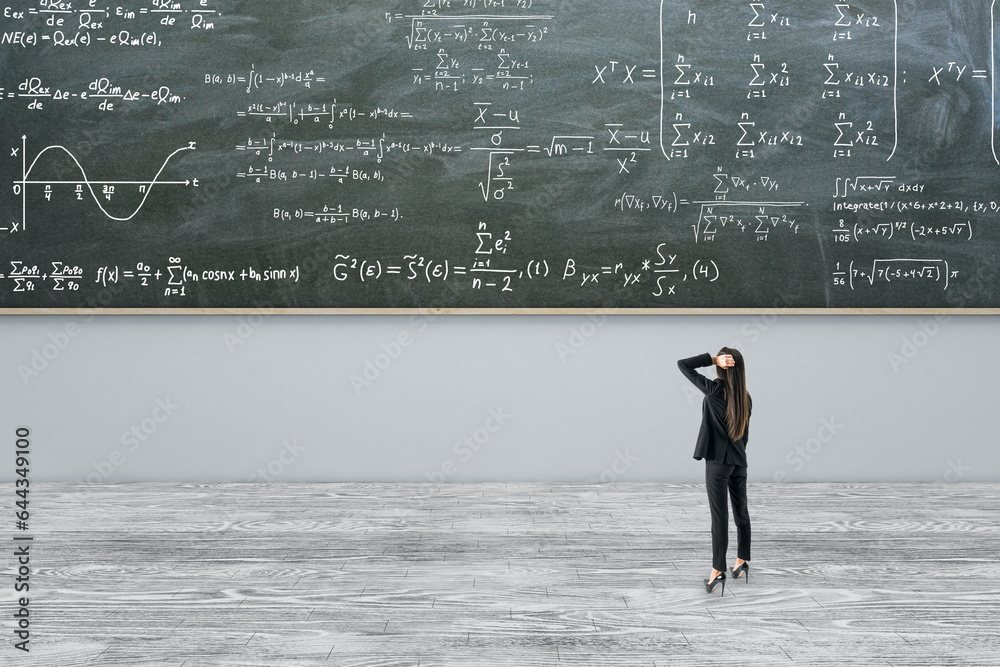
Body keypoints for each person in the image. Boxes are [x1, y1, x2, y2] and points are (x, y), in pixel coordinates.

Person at [677, 349, 752, 596]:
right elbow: (745, 435)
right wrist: (737, 455)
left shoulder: (715, 389)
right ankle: (741, 561)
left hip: (718, 463)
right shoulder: (746, 397)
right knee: (741, 512)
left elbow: (683, 364)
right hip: (739, 461)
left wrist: (711, 360)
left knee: (719, 518)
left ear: (723, 366)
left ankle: (717, 570)